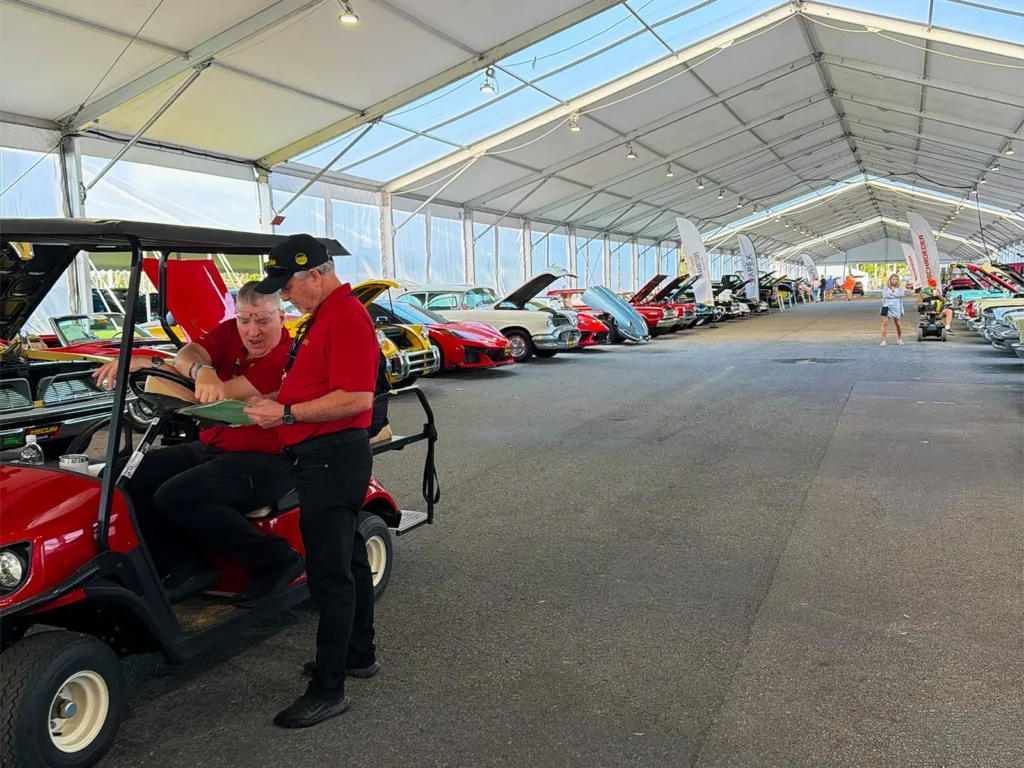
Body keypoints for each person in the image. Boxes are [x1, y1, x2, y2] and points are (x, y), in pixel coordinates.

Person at [92, 283, 303, 604]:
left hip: (269, 458)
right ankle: (183, 563)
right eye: (244, 320)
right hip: (214, 446)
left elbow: (209, 396)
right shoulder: (230, 333)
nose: (252, 331)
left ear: (282, 317)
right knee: (119, 477)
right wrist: (201, 369)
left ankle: (276, 558)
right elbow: (188, 355)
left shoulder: (285, 359)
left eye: (262, 320)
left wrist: (152, 364)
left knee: (175, 496)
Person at [244, 235, 380, 729]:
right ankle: (358, 654)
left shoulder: (343, 318)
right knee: (348, 559)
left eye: (287, 287)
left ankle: (329, 688)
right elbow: (316, 381)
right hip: (322, 455)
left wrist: (285, 411)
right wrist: (271, 404)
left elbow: (357, 398)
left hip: (331, 458)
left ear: (314, 277)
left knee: (329, 575)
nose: (284, 297)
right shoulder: (325, 315)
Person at [880, 273, 905, 346]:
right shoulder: (885, 287)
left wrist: (892, 294)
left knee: (898, 323)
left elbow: (902, 294)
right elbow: (885, 295)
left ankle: (900, 338)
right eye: (893, 279)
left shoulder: (899, 287)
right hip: (886, 306)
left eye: (896, 279)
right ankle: (884, 340)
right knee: (885, 323)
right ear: (890, 280)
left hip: (896, 306)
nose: (895, 281)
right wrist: (895, 295)